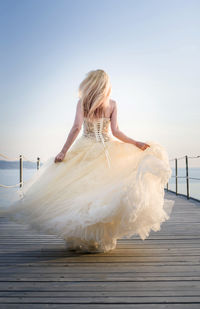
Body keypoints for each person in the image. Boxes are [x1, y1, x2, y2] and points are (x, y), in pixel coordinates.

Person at [0, 69, 175, 253]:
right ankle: (100, 237)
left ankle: (81, 236)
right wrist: (135, 142)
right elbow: (116, 132)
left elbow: (76, 128)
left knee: (79, 193)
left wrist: (63, 151)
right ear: (107, 86)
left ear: (91, 83)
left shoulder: (83, 102)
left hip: (85, 149)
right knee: (103, 193)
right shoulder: (113, 104)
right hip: (108, 150)